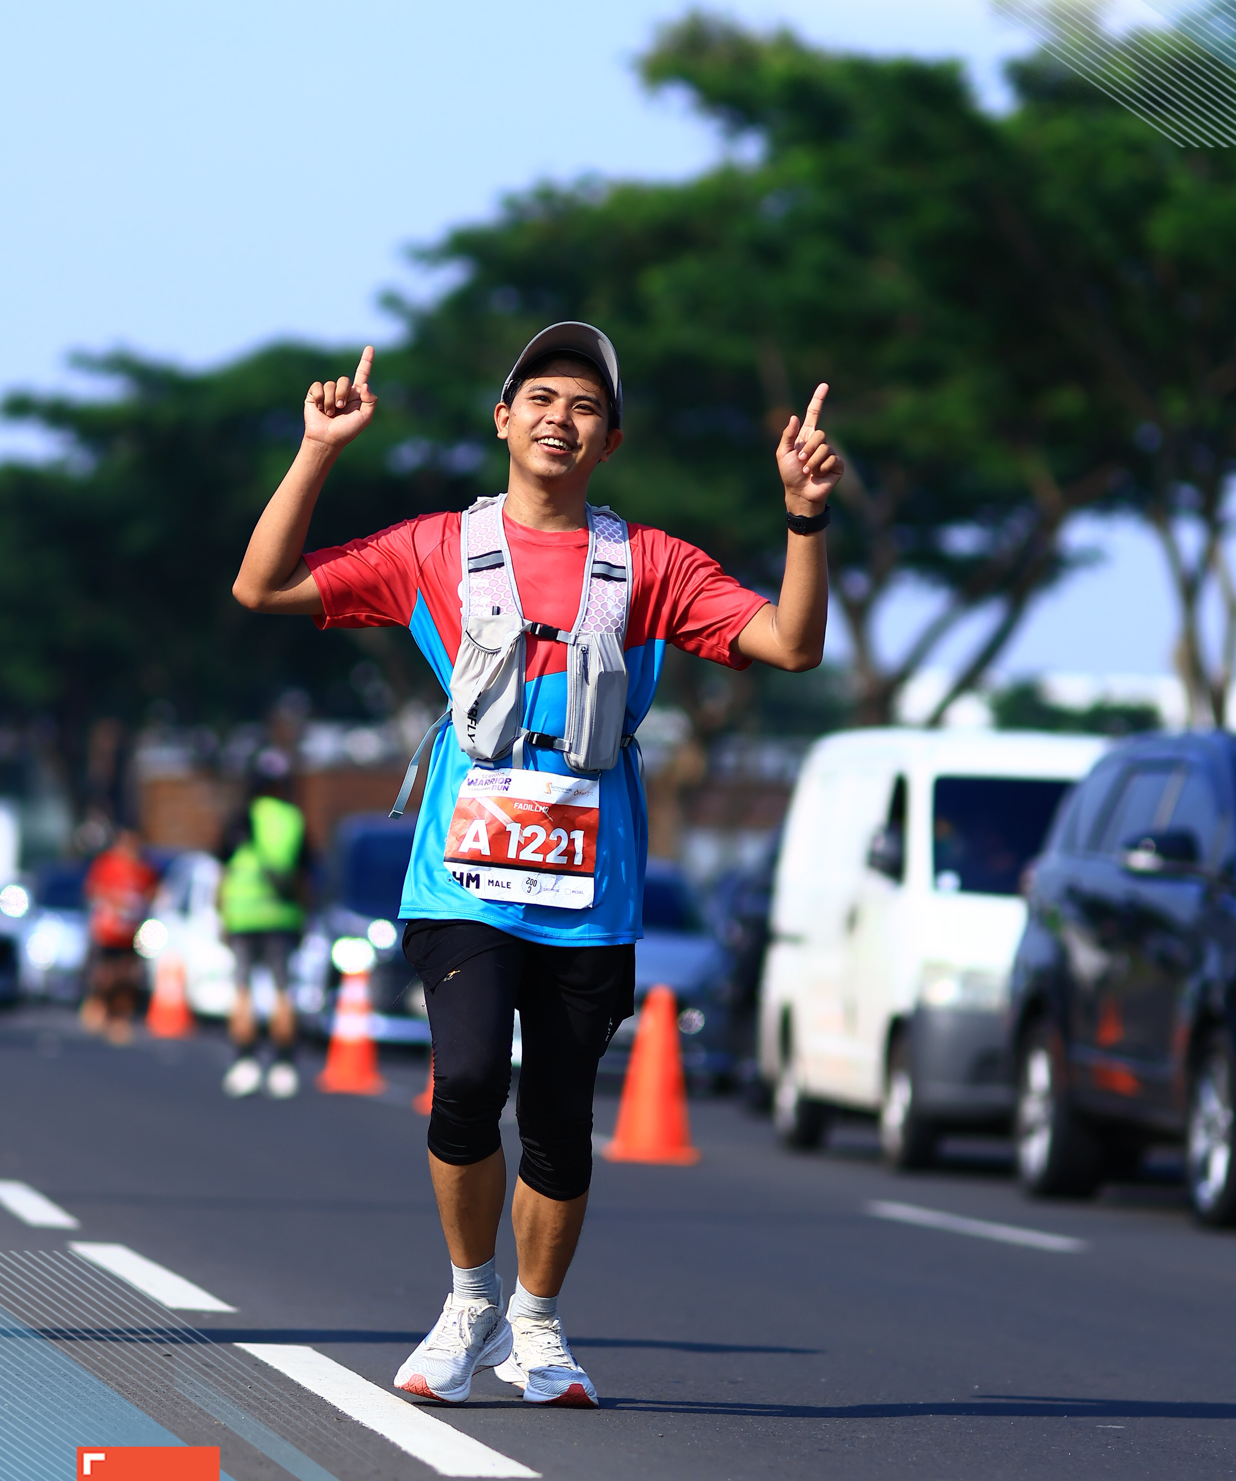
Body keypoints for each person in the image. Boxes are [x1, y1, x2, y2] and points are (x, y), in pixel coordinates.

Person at [232, 323, 843, 1406]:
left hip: (589, 891)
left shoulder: (651, 564)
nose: (562, 418)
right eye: (543, 398)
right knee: (468, 1080)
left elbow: (792, 645)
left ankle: (538, 1323)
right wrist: (318, 449)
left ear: (610, 442)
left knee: (560, 1116)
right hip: (462, 880)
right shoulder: (435, 548)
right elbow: (261, 587)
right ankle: (469, 1299)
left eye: (587, 406)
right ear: (504, 419)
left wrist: (803, 515)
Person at [218, 749, 311, 1098]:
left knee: (242, 989)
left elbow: (222, 866)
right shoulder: (293, 819)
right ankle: (283, 1064)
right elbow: (304, 873)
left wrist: (223, 914)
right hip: (281, 913)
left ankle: (245, 1060)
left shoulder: (240, 817)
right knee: (282, 990)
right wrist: (304, 915)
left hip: (242, 914)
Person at [80, 827, 159, 1044]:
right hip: (108, 932)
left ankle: (119, 1018)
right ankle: (98, 1007)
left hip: (130, 934)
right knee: (104, 976)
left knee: (127, 978)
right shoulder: (107, 864)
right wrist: (109, 906)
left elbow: (152, 893)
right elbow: (93, 890)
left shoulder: (144, 868)